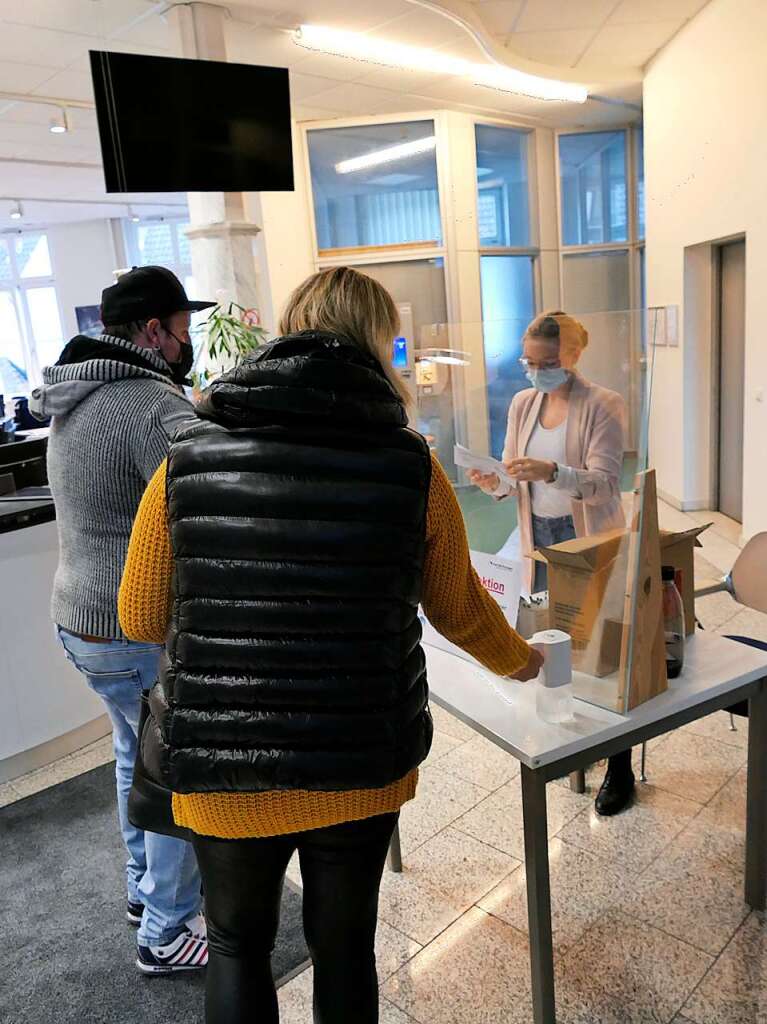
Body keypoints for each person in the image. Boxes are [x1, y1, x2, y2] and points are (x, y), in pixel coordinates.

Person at [118, 265, 543, 1023]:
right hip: (357, 758)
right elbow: (459, 610)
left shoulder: (187, 456)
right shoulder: (409, 464)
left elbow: (141, 616)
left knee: (238, 946)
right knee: (345, 947)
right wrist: (527, 660)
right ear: (378, 343)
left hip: (220, 766)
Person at [30, 266, 215, 973]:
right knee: (172, 771)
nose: (187, 340)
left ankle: (144, 890)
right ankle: (166, 931)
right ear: (151, 331)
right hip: (129, 626)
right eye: (182, 327)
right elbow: (209, 498)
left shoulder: (75, 392)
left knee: (133, 756)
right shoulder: (145, 401)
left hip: (79, 619)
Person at [470, 311, 635, 817]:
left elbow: (605, 483)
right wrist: (495, 482)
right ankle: (568, 745)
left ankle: (619, 767)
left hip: (587, 542)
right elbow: (513, 474)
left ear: (574, 355)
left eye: (547, 361)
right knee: (550, 647)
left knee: (600, 656)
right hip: (536, 541)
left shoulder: (604, 405)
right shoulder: (523, 404)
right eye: (529, 361)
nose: (536, 370)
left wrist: (553, 471)